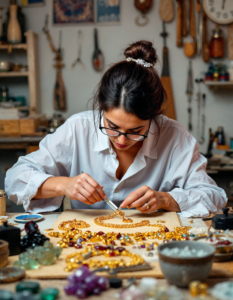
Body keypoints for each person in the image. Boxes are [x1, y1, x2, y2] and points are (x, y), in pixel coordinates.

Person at [5, 41, 227, 217]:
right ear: (101, 108)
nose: (121, 140)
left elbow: (214, 196)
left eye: (135, 130)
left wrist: (166, 200)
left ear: (154, 116)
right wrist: (64, 184)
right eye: (112, 127)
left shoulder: (175, 137)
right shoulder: (78, 128)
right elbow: (15, 180)